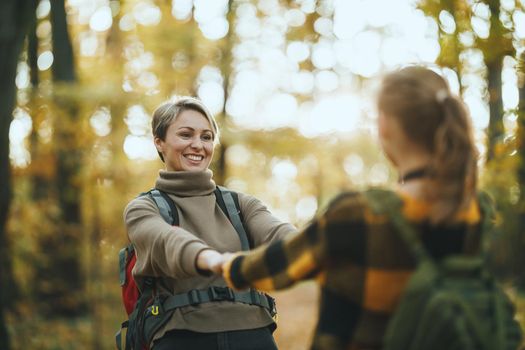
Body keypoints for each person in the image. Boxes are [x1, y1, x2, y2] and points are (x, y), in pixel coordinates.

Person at [220, 66, 488, 349]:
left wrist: (223, 263)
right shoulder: (471, 211)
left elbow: (271, 269)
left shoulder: (358, 214)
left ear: (384, 125)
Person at [124, 96, 295, 349]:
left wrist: (313, 244)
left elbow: (277, 232)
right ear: (159, 142)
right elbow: (166, 241)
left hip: (253, 335)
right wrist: (211, 259)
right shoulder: (144, 208)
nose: (198, 145)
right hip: (181, 337)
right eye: (186, 135)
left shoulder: (239, 204)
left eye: (206, 137)